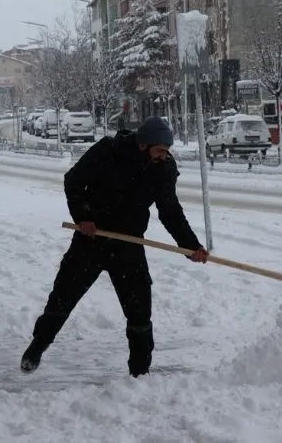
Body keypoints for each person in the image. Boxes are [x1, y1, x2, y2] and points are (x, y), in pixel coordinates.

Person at [21, 116, 209, 377]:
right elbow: (73, 181)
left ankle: (140, 372)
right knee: (63, 297)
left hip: (128, 245)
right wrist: (83, 217)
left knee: (140, 311)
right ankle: (37, 347)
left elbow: (170, 211)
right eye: (160, 150)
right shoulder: (109, 150)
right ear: (143, 145)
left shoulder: (162, 168)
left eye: (167, 151)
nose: (164, 156)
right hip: (91, 240)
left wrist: (191, 247)